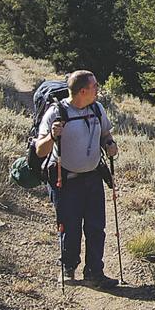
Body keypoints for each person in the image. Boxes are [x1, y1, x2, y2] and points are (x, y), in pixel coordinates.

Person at [33, 70, 120, 288]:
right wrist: (53, 136)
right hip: (65, 179)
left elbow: (105, 135)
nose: (98, 89)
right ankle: (68, 268)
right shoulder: (57, 113)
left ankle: (94, 272)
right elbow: (40, 151)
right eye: (95, 86)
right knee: (69, 226)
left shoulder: (97, 109)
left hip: (92, 177)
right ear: (82, 91)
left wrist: (110, 144)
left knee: (95, 226)